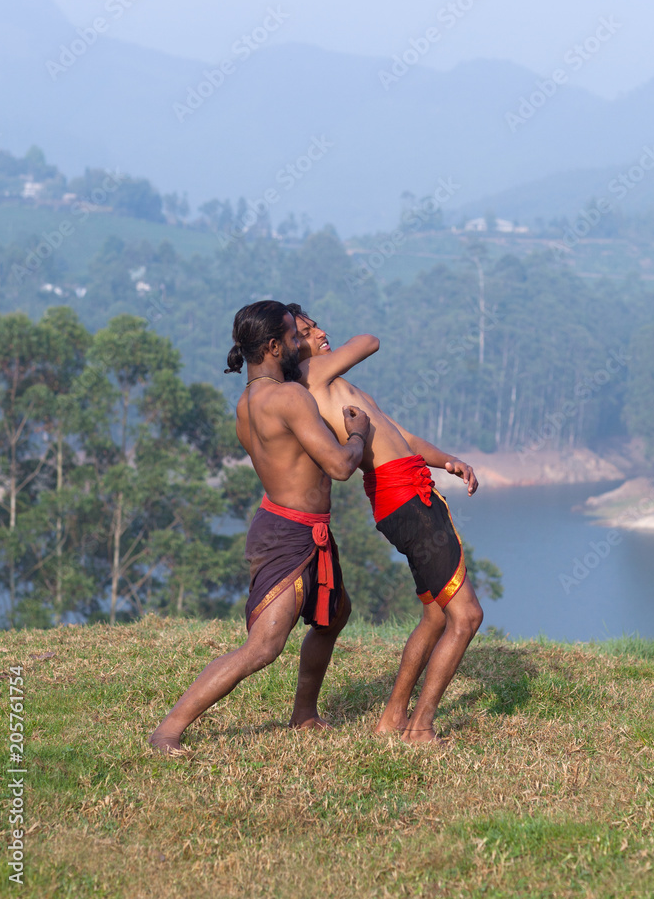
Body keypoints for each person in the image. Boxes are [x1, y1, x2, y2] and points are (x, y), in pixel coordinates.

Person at [149, 300, 370, 755]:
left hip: (292, 527)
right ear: (273, 346)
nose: (299, 343)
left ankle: (304, 714)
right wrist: (359, 434)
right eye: (293, 337)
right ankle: (168, 730)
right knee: (263, 647)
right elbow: (341, 466)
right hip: (288, 535)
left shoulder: (247, 402)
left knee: (334, 616)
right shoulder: (288, 397)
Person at [286, 303, 483, 745]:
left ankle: (393, 719)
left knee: (436, 616)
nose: (320, 332)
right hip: (404, 498)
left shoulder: (339, 386)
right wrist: (322, 350)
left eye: (317, 324)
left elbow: (402, 437)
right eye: (306, 330)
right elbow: (369, 342)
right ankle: (421, 727)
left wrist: (448, 461)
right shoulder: (310, 379)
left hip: (410, 490)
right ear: (288, 346)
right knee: (467, 616)